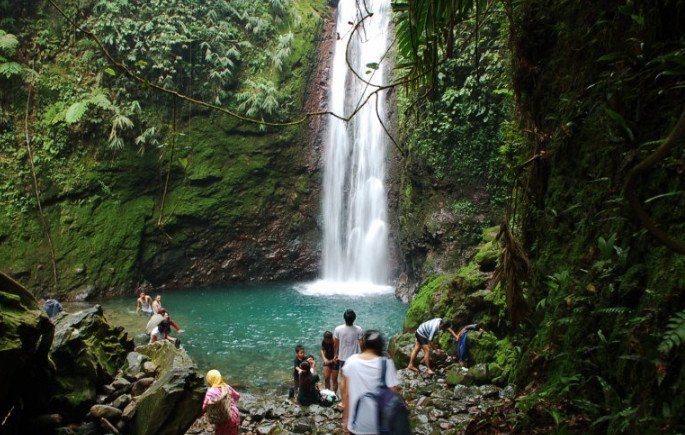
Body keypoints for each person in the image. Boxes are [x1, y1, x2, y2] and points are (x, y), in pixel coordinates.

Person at [341, 329, 399, 434]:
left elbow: (346, 394)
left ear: (364, 343)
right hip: (379, 424)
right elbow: (393, 392)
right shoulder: (386, 364)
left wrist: (346, 419)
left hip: (356, 423)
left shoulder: (351, 361)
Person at [202, 369, 240, 435]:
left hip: (223, 418)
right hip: (234, 415)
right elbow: (237, 396)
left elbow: (204, 407)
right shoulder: (226, 387)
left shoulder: (210, 392)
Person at [334, 309, 363, 385]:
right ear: (354, 318)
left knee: (343, 379)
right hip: (354, 358)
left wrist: (335, 355)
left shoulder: (338, 329)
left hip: (342, 358)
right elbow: (361, 344)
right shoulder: (358, 329)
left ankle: (343, 395)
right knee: (353, 379)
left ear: (344, 318)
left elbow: (335, 344)